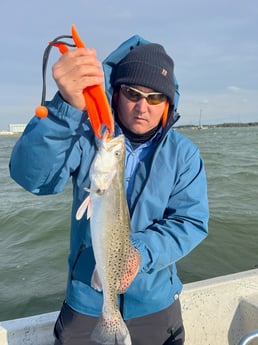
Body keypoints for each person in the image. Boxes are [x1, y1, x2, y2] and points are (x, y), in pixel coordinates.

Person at [9, 34, 209, 345]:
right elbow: (32, 177)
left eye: (155, 97)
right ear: (115, 93)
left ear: (168, 102)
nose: (143, 107)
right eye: (132, 93)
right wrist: (66, 108)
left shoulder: (183, 154)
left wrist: (139, 253)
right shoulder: (88, 137)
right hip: (87, 300)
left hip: (155, 303)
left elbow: (191, 222)